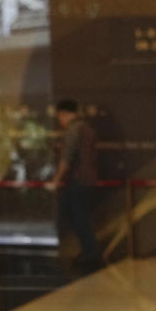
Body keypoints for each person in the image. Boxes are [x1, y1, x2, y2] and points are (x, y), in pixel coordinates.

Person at [50, 99, 101, 270]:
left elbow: (67, 158)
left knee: (77, 218)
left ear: (65, 114)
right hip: (88, 179)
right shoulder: (88, 129)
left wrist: (57, 179)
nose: (60, 120)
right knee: (81, 217)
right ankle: (89, 251)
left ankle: (91, 253)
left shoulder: (73, 130)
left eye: (60, 116)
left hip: (77, 180)